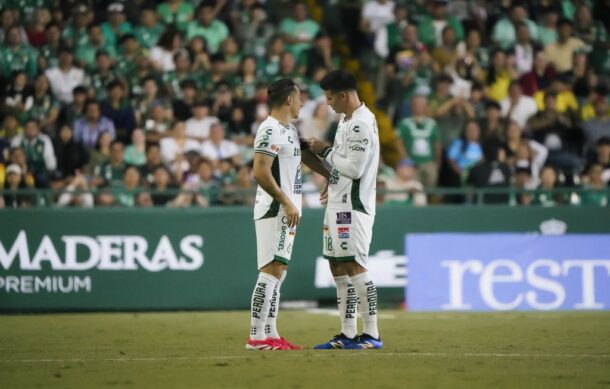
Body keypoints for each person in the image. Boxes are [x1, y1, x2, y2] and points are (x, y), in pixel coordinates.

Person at [246, 78, 328, 351]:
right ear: (289, 100)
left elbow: (304, 156)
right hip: (275, 208)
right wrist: (285, 202)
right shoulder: (269, 130)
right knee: (270, 270)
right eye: (300, 97)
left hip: (288, 209)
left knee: (278, 272)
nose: (304, 102)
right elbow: (260, 171)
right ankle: (256, 336)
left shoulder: (289, 130)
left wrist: (332, 175)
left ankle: (271, 332)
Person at [307, 70, 383, 350]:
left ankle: (372, 333)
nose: (327, 103)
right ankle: (348, 333)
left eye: (329, 98)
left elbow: (354, 167)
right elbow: (342, 167)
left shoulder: (362, 123)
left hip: (354, 206)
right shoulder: (345, 120)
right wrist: (331, 180)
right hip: (338, 202)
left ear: (343, 95)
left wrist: (324, 150)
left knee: (354, 264)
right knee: (337, 265)